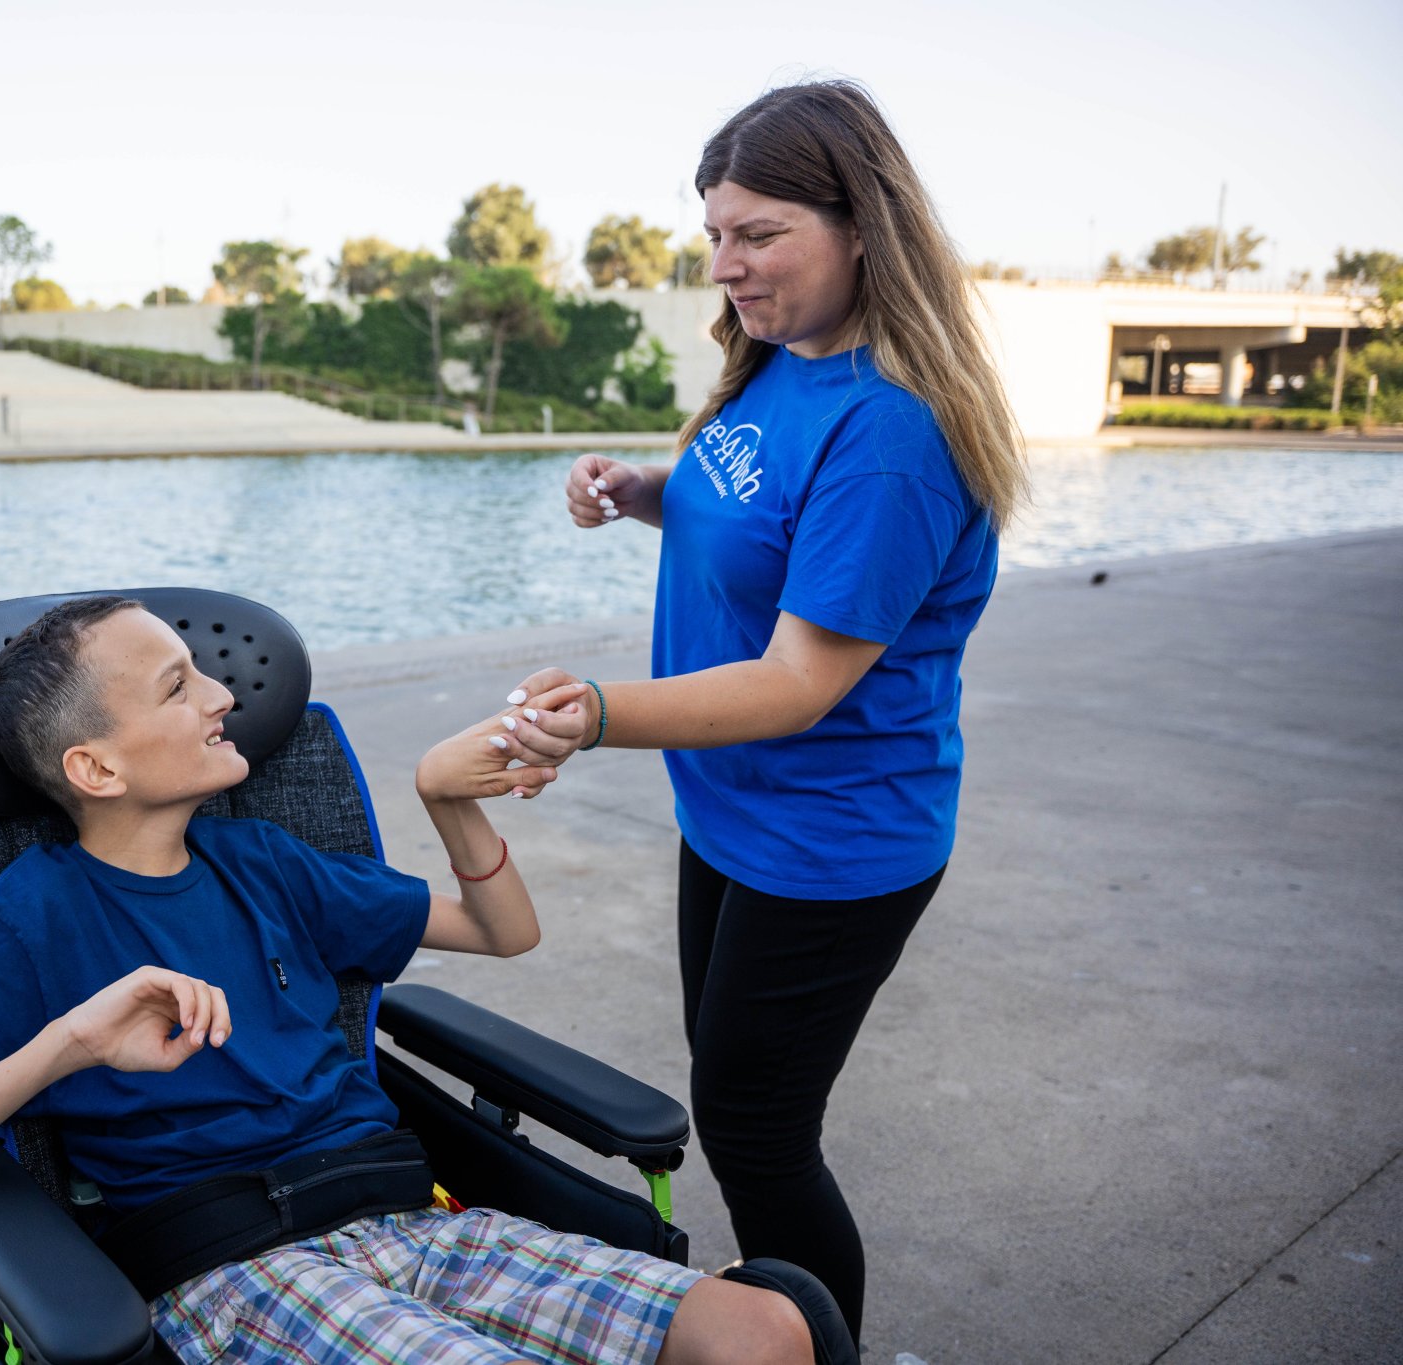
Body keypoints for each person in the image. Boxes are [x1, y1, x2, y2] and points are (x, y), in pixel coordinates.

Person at [0, 596, 857, 1365]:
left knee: (766, 1330)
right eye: (179, 687)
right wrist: (71, 1043)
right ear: (96, 769)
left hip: (412, 1216)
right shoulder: (36, 917)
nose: (223, 695)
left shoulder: (265, 863)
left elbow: (502, 931)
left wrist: (447, 800)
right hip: (234, 1266)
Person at [489, 80, 1030, 1348]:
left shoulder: (892, 435)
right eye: (713, 234)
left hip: (828, 843)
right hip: (732, 815)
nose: (723, 265)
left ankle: (807, 1344)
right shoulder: (788, 359)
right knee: (735, 1095)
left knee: (755, 1130)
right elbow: (763, 519)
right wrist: (648, 492)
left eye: (758, 234)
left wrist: (594, 712)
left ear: (863, 229)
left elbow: (796, 683)